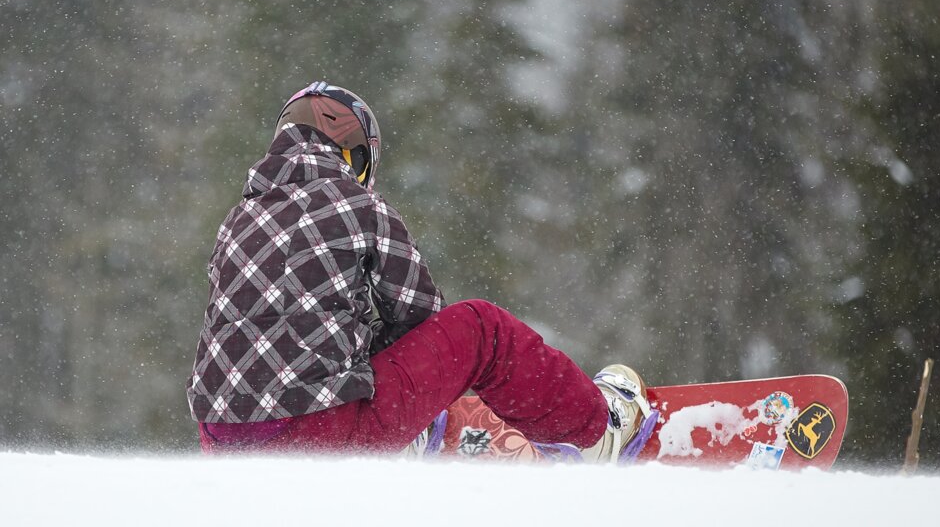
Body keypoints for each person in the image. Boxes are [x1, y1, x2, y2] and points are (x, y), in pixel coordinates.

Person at [186, 81, 654, 461]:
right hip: (323, 434)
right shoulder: (357, 203)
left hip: (224, 440)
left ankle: (405, 440)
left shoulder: (238, 218)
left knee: (336, 342)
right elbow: (420, 319)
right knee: (480, 328)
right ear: (355, 154)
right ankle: (595, 433)